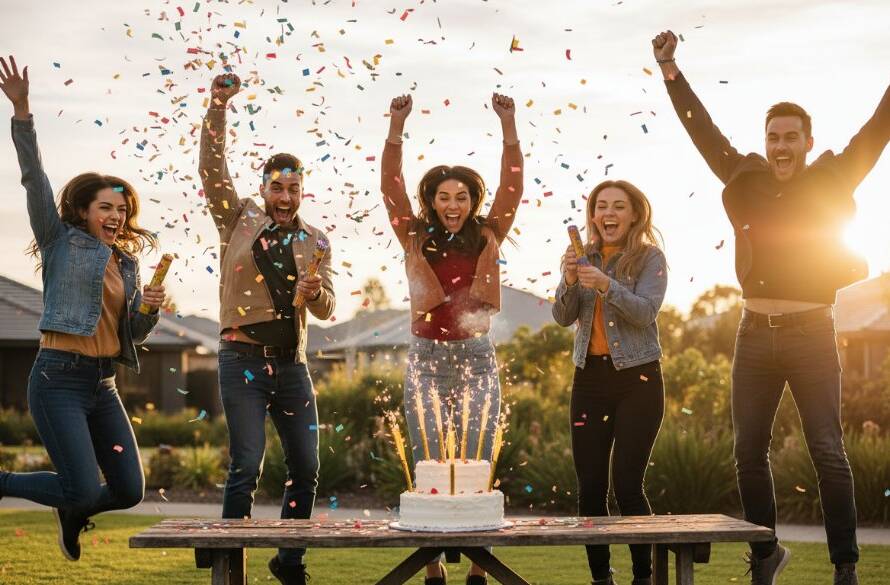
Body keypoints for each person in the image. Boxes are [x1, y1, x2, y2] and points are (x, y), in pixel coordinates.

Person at [652, 29, 890, 585]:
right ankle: (765, 555)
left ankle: (846, 567)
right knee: (747, 451)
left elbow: (879, 128)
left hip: (812, 334)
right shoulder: (744, 176)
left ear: (808, 142)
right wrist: (670, 71)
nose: (781, 146)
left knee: (828, 451)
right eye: (773, 137)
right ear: (765, 142)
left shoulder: (834, 175)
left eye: (791, 137)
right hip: (754, 333)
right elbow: (702, 131)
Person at [0, 55, 165, 561]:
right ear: (82, 211)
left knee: (129, 490)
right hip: (58, 379)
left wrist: (149, 310)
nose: (116, 216)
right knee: (83, 487)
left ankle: (72, 511)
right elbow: (34, 178)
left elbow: (131, 333)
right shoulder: (59, 241)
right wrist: (23, 112)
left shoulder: (127, 264)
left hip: (103, 383)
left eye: (122, 210)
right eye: (106, 208)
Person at [199, 72, 335, 585]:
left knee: (306, 466)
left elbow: (327, 307)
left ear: (302, 191)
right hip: (242, 362)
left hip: (292, 366)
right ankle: (228, 563)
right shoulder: (238, 220)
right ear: (263, 189)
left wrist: (313, 294)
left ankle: (289, 560)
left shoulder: (315, 240)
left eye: (293, 189)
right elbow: (212, 169)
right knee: (246, 464)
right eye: (277, 187)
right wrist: (218, 106)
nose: (285, 196)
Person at [381, 92, 523, 585]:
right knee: (427, 463)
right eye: (444, 197)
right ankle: (433, 567)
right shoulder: (413, 234)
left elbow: (513, 186)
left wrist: (508, 125)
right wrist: (396, 127)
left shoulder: (488, 234)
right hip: (425, 358)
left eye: (461, 197)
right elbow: (390, 187)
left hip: (476, 356)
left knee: (479, 460)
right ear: (432, 201)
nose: (453, 205)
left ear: (472, 201)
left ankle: (480, 567)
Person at [553, 180, 667, 585]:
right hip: (589, 379)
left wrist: (605, 284)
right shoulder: (582, 256)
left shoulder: (650, 258)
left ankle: (643, 577)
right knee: (590, 487)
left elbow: (645, 312)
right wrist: (570, 280)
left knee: (628, 485)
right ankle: (601, 578)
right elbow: (563, 317)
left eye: (618, 206)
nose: (608, 213)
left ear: (634, 215)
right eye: (601, 206)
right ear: (593, 215)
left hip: (638, 379)